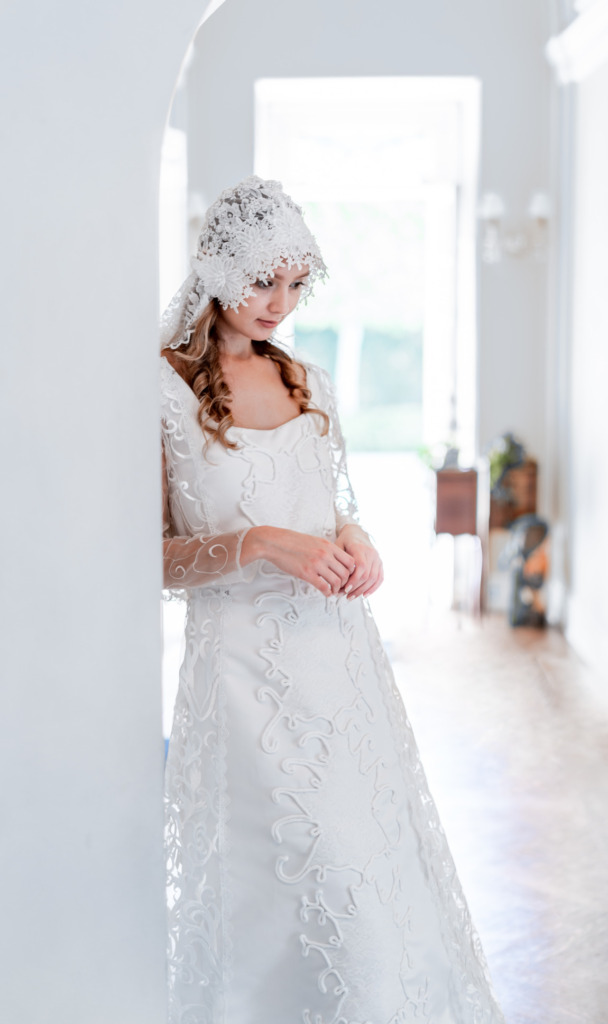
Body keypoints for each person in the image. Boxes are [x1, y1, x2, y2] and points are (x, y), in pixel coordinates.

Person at [160, 176, 504, 1023]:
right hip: (242, 684)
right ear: (217, 267)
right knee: (288, 886)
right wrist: (266, 544)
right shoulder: (162, 392)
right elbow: (151, 560)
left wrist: (359, 542)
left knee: (373, 875)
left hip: (340, 672)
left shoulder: (312, 380)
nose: (279, 303)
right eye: (261, 280)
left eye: (295, 283)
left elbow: (330, 507)